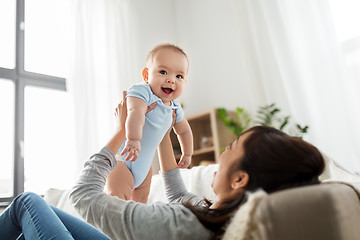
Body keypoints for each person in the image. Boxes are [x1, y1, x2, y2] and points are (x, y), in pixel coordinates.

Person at [0, 93, 325, 240]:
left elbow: (84, 195)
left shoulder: (181, 223)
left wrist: (121, 131)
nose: (221, 154)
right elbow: (176, 191)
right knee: (39, 221)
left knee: (28, 202)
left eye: (230, 147)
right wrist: (159, 135)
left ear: (240, 179)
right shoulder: (213, 216)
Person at [106, 43, 193, 203]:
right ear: (146, 75)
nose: (171, 80)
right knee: (116, 203)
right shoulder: (142, 91)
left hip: (144, 170)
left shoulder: (174, 105)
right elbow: (135, 113)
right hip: (123, 162)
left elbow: (184, 131)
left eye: (179, 76)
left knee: (140, 207)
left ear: (185, 81)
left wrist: (187, 153)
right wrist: (133, 140)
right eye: (163, 72)